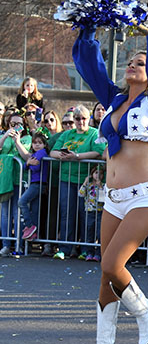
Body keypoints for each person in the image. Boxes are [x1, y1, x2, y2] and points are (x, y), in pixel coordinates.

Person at [73, 13, 148, 344]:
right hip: (112, 197)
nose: (133, 64)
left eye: (141, 62)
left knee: (112, 265)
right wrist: (87, 31)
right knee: (105, 279)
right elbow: (91, 67)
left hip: (145, 196)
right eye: (129, 61)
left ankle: (144, 310)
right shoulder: (113, 100)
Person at [48, 105, 105, 259]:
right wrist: (62, 155)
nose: (80, 121)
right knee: (67, 213)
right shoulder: (67, 134)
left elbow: (98, 152)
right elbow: (52, 151)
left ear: (89, 119)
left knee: (85, 214)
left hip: (86, 181)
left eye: (84, 118)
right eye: (77, 119)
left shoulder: (94, 133)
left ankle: (86, 249)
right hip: (66, 178)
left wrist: (77, 156)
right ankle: (65, 248)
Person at [0, 111, 31, 256]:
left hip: (20, 179)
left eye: (19, 124)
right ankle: (6, 244)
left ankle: (18, 243)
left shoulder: (28, 138)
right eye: (13, 124)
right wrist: (6, 136)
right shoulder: (3, 136)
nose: (16, 127)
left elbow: (26, 156)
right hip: (5, 179)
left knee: (16, 212)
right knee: (5, 213)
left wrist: (17, 142)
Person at [18, 131, 49, 242]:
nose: (36, 145)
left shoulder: (41, 153)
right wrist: (28, 163)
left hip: (37, 184)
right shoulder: (35, 154)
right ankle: (33, 235)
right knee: (35, 210)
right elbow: (27, 166)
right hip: (37, 183)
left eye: (39, 143)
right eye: (34, 143)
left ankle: (29, 226)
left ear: (44, 144)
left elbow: (35, 168)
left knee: (21, 202)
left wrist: (29, 163)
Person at [78, 164, 105, 262]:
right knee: (89, 231)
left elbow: (103, 199)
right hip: (89, 211)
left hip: (99, 211)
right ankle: (89, 252)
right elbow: (80, 194)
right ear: (92, 174)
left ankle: (98, 253)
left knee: (99, 232)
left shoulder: (103, 186)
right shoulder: (89, 185)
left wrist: (100, 186)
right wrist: (85, 182)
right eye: (96, 173)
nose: (98, 176)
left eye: (101, 174)